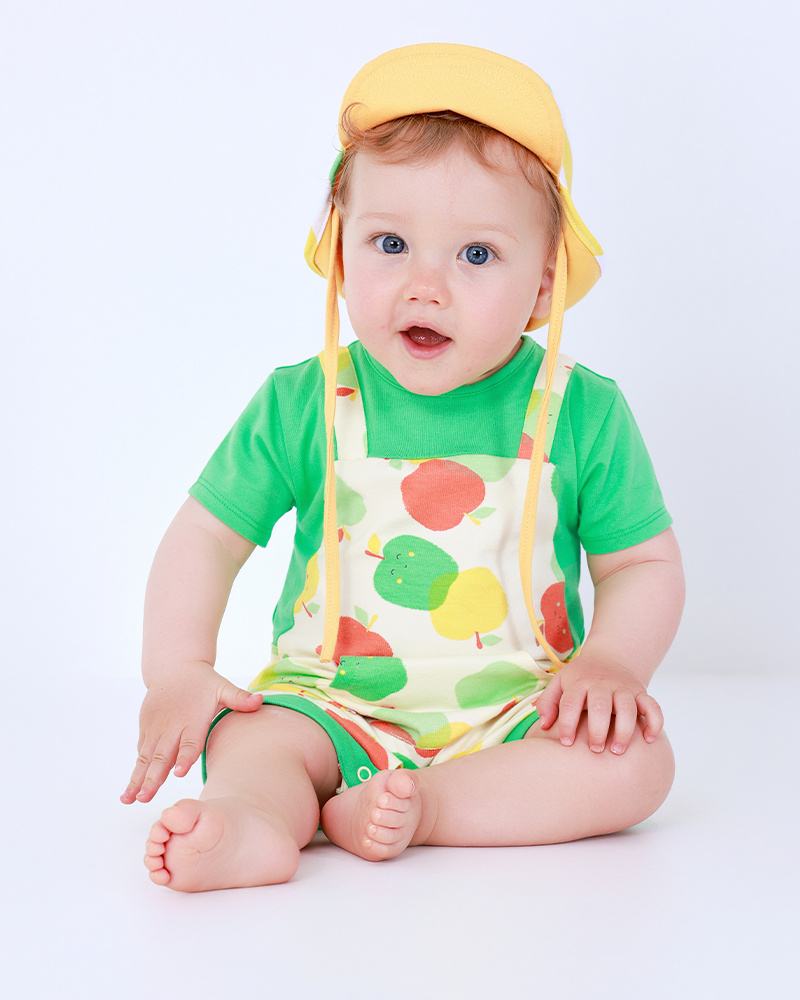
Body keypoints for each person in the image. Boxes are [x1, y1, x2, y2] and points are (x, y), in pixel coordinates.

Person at [121, 43, 684, 892]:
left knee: (638, 763)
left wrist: (612, 666)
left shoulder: (580, 411)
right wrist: (177, 669)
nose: (426, 286)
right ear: (341, 253)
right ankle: (258, 819)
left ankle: (431, 805)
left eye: (477, 255)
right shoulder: (304, 400)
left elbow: (642, 565)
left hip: (516, 712)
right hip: (332, 704)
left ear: (543, 287)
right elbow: (205, 538)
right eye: (391, 242)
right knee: (251, 737)